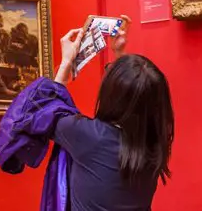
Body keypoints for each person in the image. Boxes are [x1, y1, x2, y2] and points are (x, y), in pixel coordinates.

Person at [48, 22, 174, 211]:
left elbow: (47, 109)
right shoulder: (154, 144)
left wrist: (66, 62)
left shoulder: (87, 135)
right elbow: (136, 100)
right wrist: (119, 55)